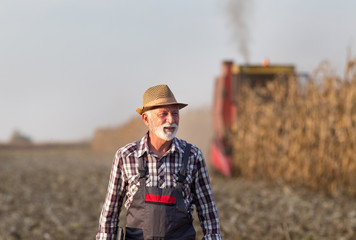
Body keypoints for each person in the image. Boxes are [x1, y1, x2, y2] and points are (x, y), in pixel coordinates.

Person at [96, 84, 222, 240]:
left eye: (175, 113)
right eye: (164, 113)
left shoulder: (193, 156)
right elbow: (110, 213)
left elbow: (208, 210)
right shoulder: (125, 156)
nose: (171, 119)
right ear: (146, 119)